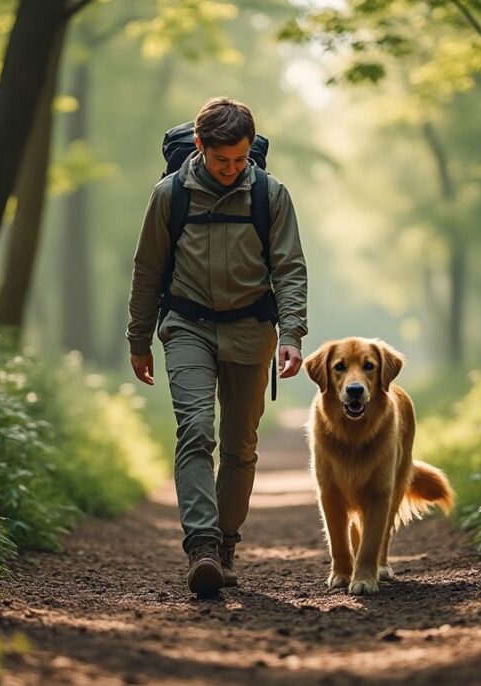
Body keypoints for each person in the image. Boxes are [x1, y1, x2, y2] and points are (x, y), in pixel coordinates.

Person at [126, 97, 308, 597]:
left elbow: (289, 268)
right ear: (200, 146)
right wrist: (138, 338)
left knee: (240, 445)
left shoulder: (270, 195)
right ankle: (202, 546)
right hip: (188, 326)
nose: (231, 170)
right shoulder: (170, 196)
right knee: (196, 429)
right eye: (221, 159)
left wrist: (291, 335)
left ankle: (227, 543)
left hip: (252, 329)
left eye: (240, 160)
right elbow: (147, 271)